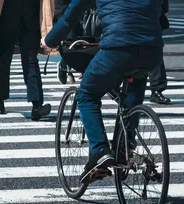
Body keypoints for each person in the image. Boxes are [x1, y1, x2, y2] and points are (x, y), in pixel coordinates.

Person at [42, 0, 164, 184]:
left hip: (117, 47)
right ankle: (126, 148)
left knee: (87, 95)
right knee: (134, 89)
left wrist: (49, 40)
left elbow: (72, 14)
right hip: (152, 49)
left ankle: (100, 151)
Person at [0, 0, 53, 121]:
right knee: (3, 59)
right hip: (6, 15)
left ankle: (37, 105)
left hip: (31, 15)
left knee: (31, 61)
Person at [149, 0, 170, 104]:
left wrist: (164, 10)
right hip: (125, 15)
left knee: (154, 50)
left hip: (152, 13)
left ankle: (157, 89)